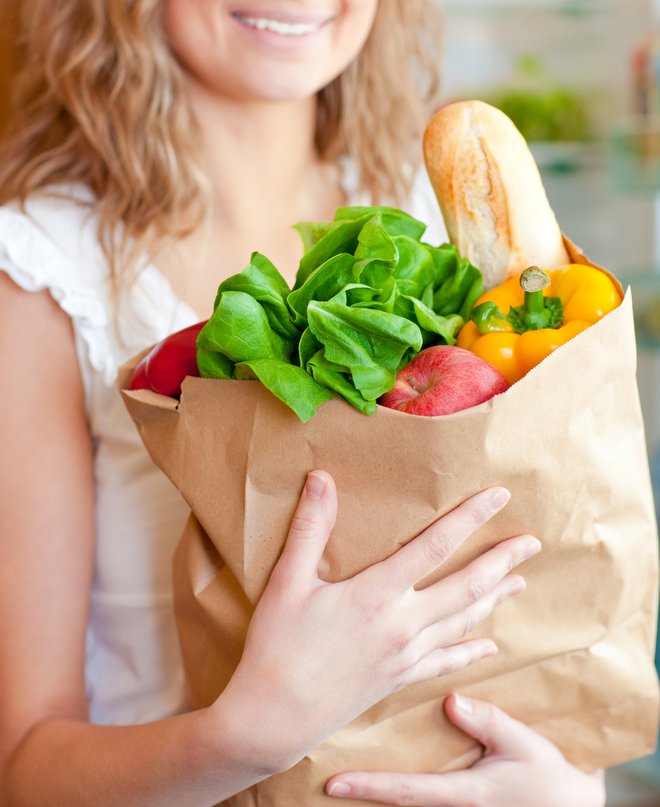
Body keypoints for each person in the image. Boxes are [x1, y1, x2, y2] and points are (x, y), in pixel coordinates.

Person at [0, 1, 605, 805]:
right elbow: (24, 770)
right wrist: (249, 736)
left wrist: (563, 786)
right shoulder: (40, 269)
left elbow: (532, 588)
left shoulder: (428, 220)